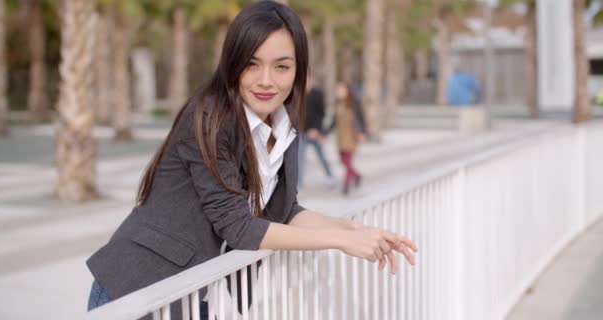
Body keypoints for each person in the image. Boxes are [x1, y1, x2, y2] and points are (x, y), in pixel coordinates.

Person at [86, 1, 418, 319]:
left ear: (298, 70)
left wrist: (355, 229)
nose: (266, 80)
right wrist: (342, 241)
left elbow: (286, 211)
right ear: (232, 63)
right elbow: (238, 227)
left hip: (193, 293)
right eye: (251, 63)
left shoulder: (282, 123)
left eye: (282, 67)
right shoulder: (208, 118)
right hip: (137, 286)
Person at [297, 75, 336, 188]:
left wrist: (316, 130)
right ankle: (299, 182)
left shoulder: (318, 94)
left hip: (315, 132)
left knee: (322, 155)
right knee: (299, 157)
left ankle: (330, 176)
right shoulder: (298, 94)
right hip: (301, 131)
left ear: (311, 81)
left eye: (307, 81)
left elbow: (321, 114)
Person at [329, 81, 366, 195]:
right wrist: (324, 132)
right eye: (337, 89)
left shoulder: (354, 103)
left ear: (347, 90)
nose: (338, 92)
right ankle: (356, 175)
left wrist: (362, 132)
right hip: (340, 136)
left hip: (351, 135)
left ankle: (346, 186)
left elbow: (361, 118)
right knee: (342, 160)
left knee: (347, 160)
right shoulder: (337, 104)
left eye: (341, 89)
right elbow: (334, 121)